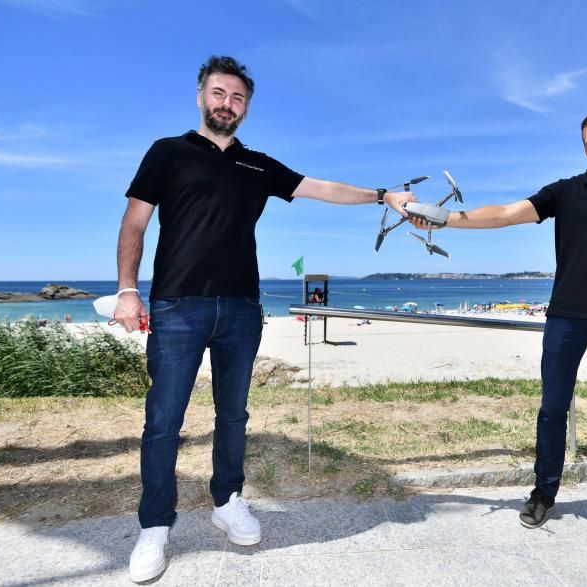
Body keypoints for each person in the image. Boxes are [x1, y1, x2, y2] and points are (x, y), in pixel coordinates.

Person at [113, 56, 415, 583]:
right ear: (202, 96)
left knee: (234, 417)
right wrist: (126, 291)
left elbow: (322, 187)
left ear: (246, 108)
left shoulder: (257, 165)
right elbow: (134, 223)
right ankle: (155, 527)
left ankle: (227, 501)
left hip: (241, 310)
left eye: (237, 98)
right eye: (219, 93)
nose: (227, 103)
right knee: (163, 422)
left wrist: (382, 195)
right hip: (177, 306)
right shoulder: (167, 153)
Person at [412, 112, 587, 554]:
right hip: (566, 317)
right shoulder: (564, 192)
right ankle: (544, 493)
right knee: (552, 408)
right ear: (584, 148)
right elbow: (505, 214)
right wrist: (447, 219)